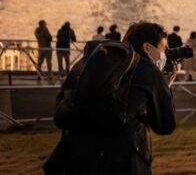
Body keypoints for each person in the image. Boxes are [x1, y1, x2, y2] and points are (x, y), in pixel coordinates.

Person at [45, 22, 176, 174]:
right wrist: (165, 88)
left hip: (76, 158)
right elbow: (165, 125)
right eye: (162, 49)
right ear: (147, 47)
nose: (164, 55)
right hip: (121, 163)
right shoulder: (147, 69)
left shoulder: (96, 63)